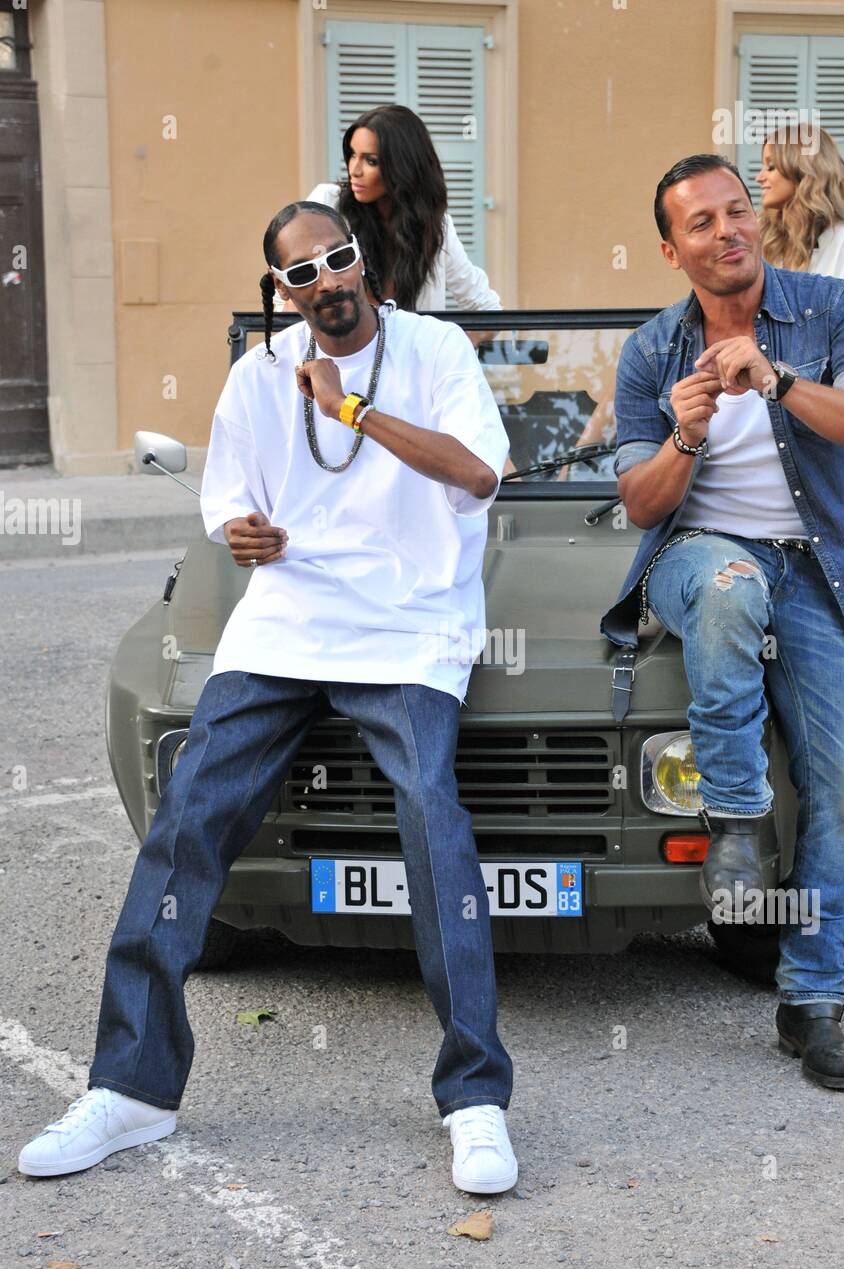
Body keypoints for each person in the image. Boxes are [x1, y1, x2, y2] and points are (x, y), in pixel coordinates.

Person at [19, 199, 518, 1194]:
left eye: (337, 258)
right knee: (187, 818)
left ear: (364, 260)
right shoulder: (255, 377)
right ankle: (132, 1089)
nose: (325, 280)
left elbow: (475, 476)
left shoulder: (433, 351)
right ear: (280, 292)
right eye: (301, 272)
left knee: (432, 813)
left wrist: (350, 408)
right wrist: (243, 532)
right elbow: (229, 503)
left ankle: (474, 1097)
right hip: (286, 620)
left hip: (409, 623)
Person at [600, 154, 844, 1091]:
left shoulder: (830, 309)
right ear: (671, 247)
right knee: (730, 581)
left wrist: (773, 382)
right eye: (702, 223)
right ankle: (735, 815)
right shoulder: (653, 350)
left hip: (815, 568)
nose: (728, 230)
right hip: (699, 554)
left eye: (739, 212)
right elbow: (643, 505)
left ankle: (810, 999)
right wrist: (688, 434)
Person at [274, 103, 501, 313]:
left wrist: (448, 352)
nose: (354, 169)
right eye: (352, 155)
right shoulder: (328, 205)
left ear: (403, 166)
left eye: (370, 160)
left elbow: (485, 306)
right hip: (335, 355)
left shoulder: (434, 227)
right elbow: (281, 298)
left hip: (407, 356)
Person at [757, 123, 844, 287]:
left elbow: (841, 311)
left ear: (802, 171)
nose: (759, 177)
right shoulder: (764, 235)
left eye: (771, 167)